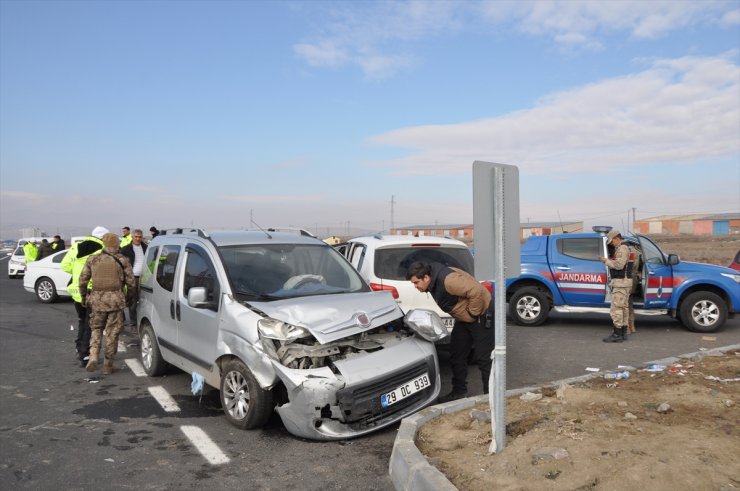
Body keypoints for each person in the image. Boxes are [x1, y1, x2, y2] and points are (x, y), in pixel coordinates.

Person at [406, 261, 493, 403]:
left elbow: (477, 291)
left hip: (481, 316)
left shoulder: (448, 280)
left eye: (416, 283)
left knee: (484, 359)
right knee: (457, 354)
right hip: (465, 319)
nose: (415, 287)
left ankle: (491, 398)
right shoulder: (434, 280)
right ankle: (459, 392)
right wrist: (467, 316)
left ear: (426, 278)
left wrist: (472, 313)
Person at [79, 233, 135, 374]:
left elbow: (82, 280)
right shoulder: (122, 260)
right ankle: (108, 364)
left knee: (96, 329)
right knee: (112, 332)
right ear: (117, 244)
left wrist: (84, 296)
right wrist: (129, 297)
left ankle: (93, 356)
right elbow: (131, 283)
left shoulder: (93, 259)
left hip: (97, 300)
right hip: (115, 300)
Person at [61, 226, 108, 366]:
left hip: (76, 291)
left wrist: (77, 273)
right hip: (92, 291)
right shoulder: (101, 249)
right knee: (91, 324)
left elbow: (65, 266)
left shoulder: (76, 246)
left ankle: (79, 348)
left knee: (82, 320)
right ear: (102, 237)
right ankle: (85, 354)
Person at [599, 229, 635, 343]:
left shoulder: (622, 248)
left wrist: (606, 261)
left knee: (616, 309)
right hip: (624, 283)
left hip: (621, 283)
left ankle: (617, 334)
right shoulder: (626, 247)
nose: (611, 244)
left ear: (616, 238)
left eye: (612, 241)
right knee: (623, 308)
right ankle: (623, 333)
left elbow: (619, 265)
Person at [120, 229, 147, 329]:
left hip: (144, 278)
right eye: (136, 236)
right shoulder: (125, 249)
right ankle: (133, 322)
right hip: (132, 277)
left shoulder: (146, 247)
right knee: (133, 300)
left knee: (143, 299)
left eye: (139, 237)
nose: (138, 239)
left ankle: (141, 320)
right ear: (132, 237)